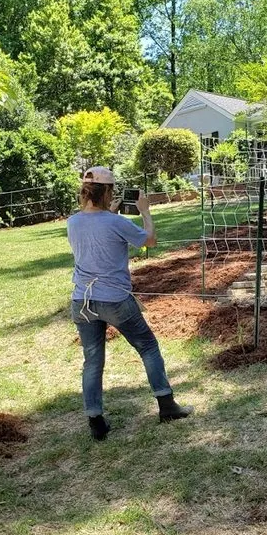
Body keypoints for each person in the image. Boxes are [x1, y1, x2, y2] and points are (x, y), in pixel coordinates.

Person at [67, 166, 193, 441]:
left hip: (82, 301)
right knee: (147, 347)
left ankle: (95, 421)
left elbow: (95, 231)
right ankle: (166, 405)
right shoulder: (116, 222)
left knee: (92, 361)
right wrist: (145, 211)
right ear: (109, 192)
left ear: (85, 192)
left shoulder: (73, 221)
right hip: (115, 299)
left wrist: (110, 213)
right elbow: (150, 240)